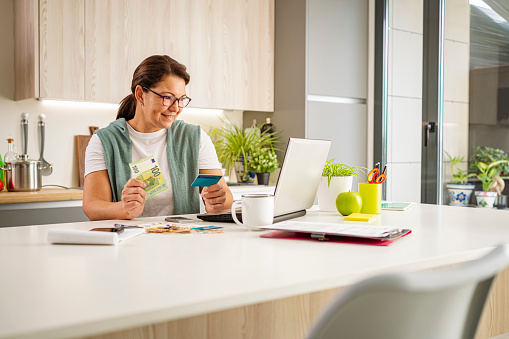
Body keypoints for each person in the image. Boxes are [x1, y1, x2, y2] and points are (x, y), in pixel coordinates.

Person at [83, 55, 233, 220]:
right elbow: (92, 206)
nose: (176, 108)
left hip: (183, 239)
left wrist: (218, 202)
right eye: (167, 97)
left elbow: (225, 199)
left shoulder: (194, 139)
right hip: (128, 241)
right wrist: (124, 209)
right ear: (140, 94)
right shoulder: (105, 141)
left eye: (181, 99)